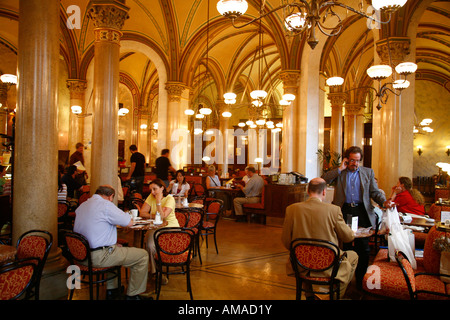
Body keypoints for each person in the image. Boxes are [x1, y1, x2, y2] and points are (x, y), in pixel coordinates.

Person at [322, 146, 387, 289]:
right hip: (344, 211)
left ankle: (360, 279)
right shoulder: (340, 172)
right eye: (352, 160)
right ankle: (343, 278)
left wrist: (384, 202)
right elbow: (323, 180)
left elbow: (375, 192)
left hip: (361, 212)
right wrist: (339, 168)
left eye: (357, 161)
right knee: (344, 245)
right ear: (347, 159)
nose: (355, 163)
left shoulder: (367, 172)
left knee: (363, 248)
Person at [281, 178, 358, 299]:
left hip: (301, 264)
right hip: (327, 264)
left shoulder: (291, 209)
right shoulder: (333, 210)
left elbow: (286, 241)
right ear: (324, 192)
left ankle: (310, 295)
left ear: (307, 190)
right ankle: (331, 296)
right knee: (353, 256)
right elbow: (348, 237)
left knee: (306, 255)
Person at [73, 185, 150, 300]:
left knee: (114, 249)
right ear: (111, 197)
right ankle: (133, 295)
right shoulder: (106, 205)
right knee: (142, 256)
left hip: (81, 256)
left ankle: (112, 290)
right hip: (98, 257)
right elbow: (128, 222)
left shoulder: (83, 205)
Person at [134, 178, 178, 283]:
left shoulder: (169, 199)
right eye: (151, 190)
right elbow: (142, 213)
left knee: (154, 243)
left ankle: (157, 268)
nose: (152, 192)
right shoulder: (151, 196)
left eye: (155, 189)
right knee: (149, 245)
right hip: (155, 228)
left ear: (162, 188)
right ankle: (155, 272)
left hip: (170, 228)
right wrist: (156, 216)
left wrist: (158, 202)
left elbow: (163, 217)